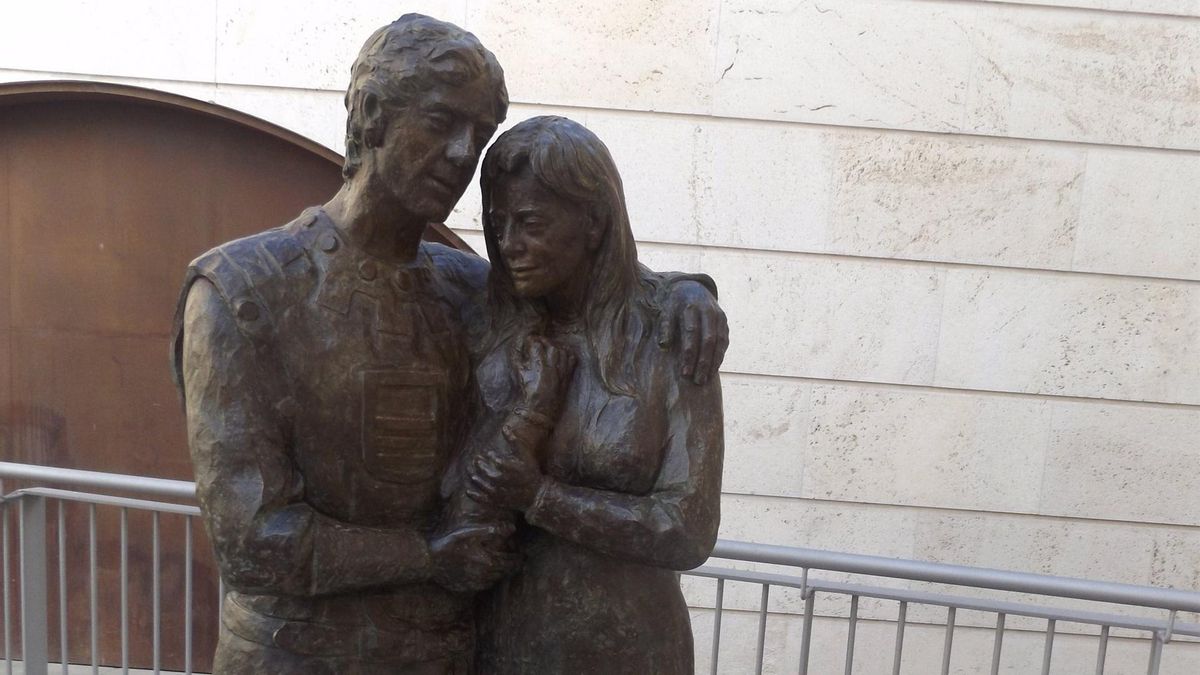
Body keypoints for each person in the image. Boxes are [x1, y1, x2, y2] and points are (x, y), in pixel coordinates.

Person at [170, 15, 727, 674]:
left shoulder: (466, 287)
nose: (464, 154)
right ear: (371, 114)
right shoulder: (244, 292)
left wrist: (685, 294)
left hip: (450, 655)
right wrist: (429, 555)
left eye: (480, 134)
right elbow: (252, 543)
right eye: (441, 122)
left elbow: (592, 282)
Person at [454, 116, 724, 674]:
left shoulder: (671, 332)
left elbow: (688, 529)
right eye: (498, 224)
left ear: (595, 221)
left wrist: (540, 498)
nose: (508, 245)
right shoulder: (489, 330)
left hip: (630, 650)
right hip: (505, 647)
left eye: (531, 223)